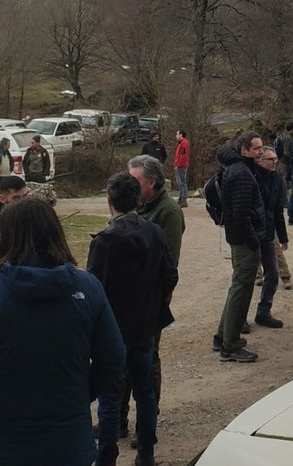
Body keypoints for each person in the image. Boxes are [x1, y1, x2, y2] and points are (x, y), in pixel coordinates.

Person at [0, 198, 125, 464]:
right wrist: (82, 392)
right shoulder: (87, 287)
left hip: (5, 442)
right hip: (68, 440)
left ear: (8, 237)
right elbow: (114, 358)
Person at [88, 173, 178, 466]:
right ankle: (146, 454)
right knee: (145, 392)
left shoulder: (105, 240)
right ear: (138, 199)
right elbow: (170, 275)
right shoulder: (154, 232)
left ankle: (107, 457)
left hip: (113, 329)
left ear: (110, 201)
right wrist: (155, 306)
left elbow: (94, 289)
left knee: (111, 396)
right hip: (144, 326)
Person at [123, 154, 185, 432]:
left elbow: (168, 264)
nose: (130, 185)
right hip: (126, 298)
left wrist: (156, 300)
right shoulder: (135, 204)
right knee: (120, 356)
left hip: (150, 298)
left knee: (147, 359)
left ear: (151, 182)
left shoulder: (168, 212)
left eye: (135, 180)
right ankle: (118, 420)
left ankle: (145, 424)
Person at [213, 131, 264, 362]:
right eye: (256, 149)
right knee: (241, 290)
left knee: (237, 287)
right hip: (244, 240)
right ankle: (230, 345)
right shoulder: (242, 173)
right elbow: (241, 214)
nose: (260, 152)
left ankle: (223, 336)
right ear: (243, 150)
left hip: (237, 237)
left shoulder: (232, 168)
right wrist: (254, 239)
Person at [252, 146, 290, 327]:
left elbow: (278, 211)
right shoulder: (251, 177)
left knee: (273, 274)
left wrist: (283, 237)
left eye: (275, 159)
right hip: (250, 232)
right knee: (245, 279)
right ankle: (238, 318)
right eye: (270, 159)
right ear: (259, 161)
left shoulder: (278, 179)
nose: (274, 162)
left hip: (268, 232)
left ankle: (264, 311)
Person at [173, 129, 191, 207]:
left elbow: (183, 155)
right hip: (178, 165)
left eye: (177, 134)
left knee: (182, 183)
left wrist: (179, 164)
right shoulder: (181, 143)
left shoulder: (184, 143)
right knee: (180, 183)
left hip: (181, 166)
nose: (176, 136)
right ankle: (181, 198)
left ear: (181, 135)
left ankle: (183, 199)